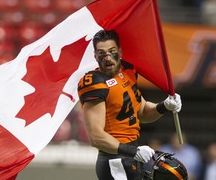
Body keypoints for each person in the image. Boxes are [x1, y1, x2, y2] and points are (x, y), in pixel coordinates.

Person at [77, 29, 182, 180]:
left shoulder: (128, 71)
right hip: (114, 160)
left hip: (132, 156)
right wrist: (133, 151)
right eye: (101, 53)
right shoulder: (94, 82)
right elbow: (96, 137)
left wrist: (165, 106)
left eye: (112, 51)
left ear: (120, 52)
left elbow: (142, 112)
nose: (107, 58)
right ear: (95, 56)